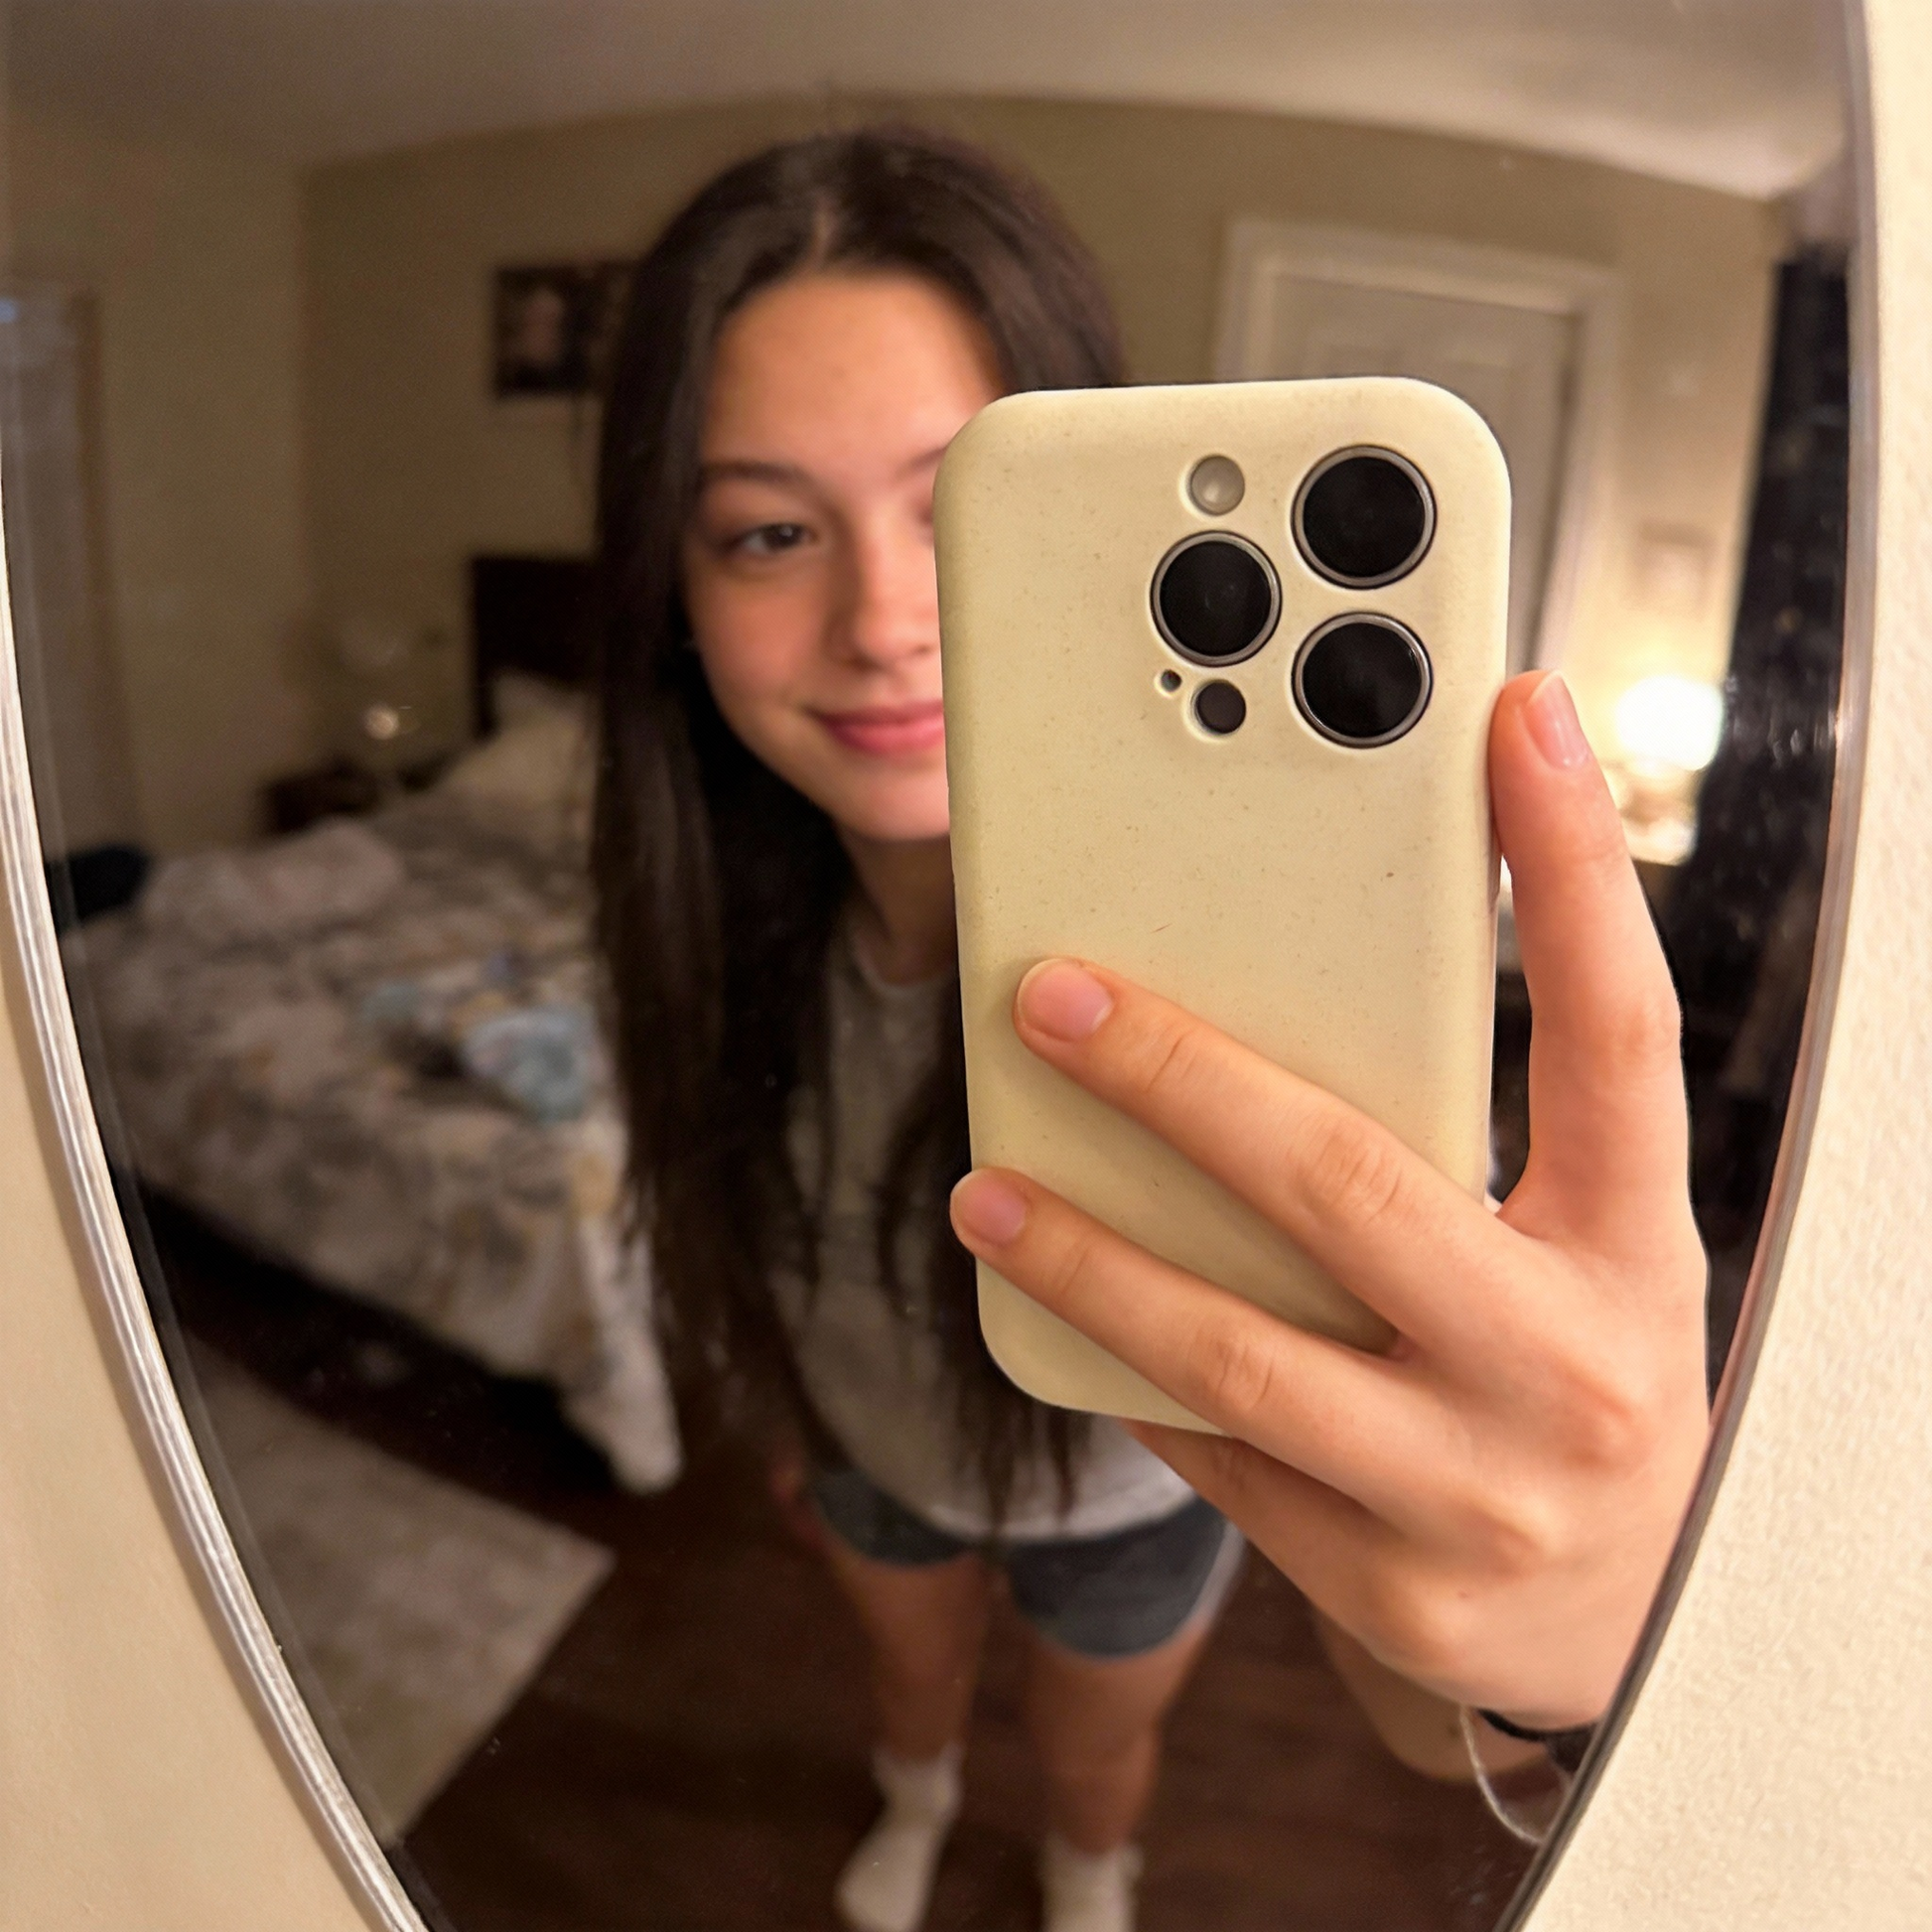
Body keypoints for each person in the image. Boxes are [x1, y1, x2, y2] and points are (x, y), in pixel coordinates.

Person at [590, 124, 1710, 1929]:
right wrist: (799, 1428)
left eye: (958, 504)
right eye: (771, 530)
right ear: (678, 589)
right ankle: (918, 1798)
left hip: (1139, 1503)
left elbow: (1407, 1676)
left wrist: (1556, 1650)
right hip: (869, 1471)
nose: (885, 620)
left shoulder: (1264, 1012)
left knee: (1099, 1753)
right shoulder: (705, 946)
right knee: (907, 1693)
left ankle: (1086, 1868)